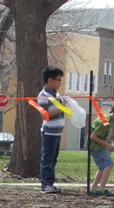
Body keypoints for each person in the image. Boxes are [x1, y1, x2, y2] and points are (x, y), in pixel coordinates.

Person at [87, 99, 114, 197]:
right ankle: (101, 188)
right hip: (96, 146)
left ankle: (93, 188)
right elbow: (93, 136)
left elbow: (107, 132)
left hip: (101, 145)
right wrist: (107, 145)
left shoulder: (113, 119)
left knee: (103, 167)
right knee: (109, 164)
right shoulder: (105, 121)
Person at [38, 66, 67, 194]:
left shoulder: (56, 94)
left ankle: (51, 182)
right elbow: (45, 114)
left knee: (53, 159)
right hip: (49, 132)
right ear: (50, 80)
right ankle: (46, 184)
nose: (60, 83)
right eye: (58, 80)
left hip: (57, 133)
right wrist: (60, 106)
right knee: (47, 159)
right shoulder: (43, 96)